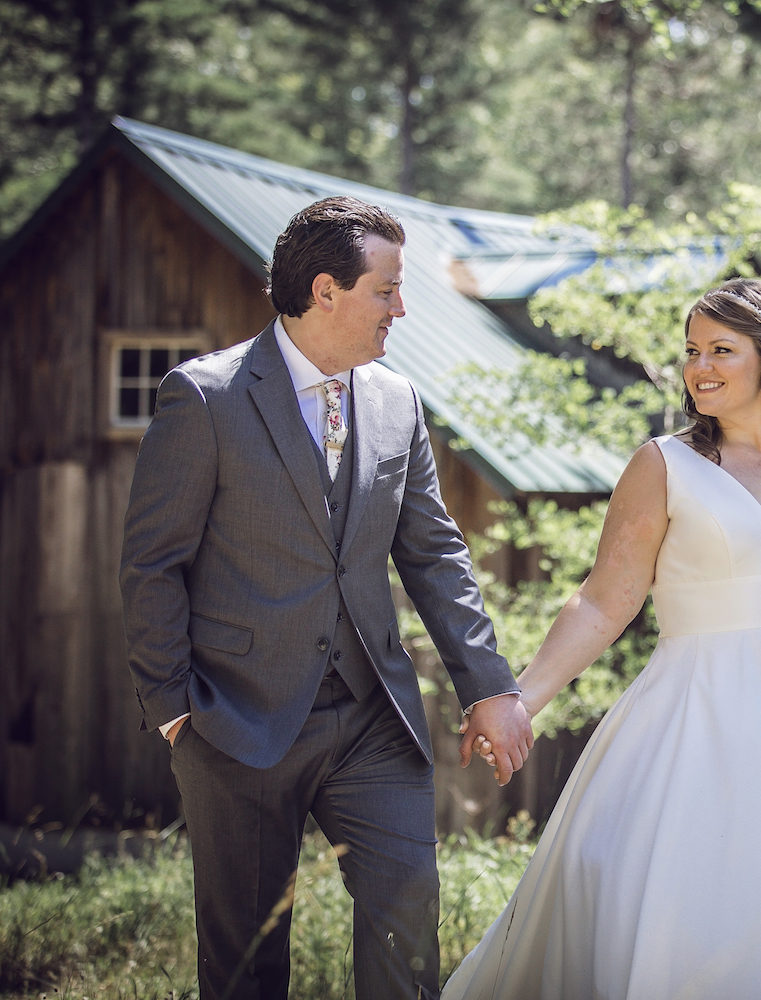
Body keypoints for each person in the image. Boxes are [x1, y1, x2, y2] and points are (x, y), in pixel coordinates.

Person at [442, 278, 761, 1000]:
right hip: (702, 719)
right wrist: (521, 700)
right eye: (691, 351)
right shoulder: (663, 464)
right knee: (720, 915)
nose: (699, 368)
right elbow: (601, 602)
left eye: (721, 350)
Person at [119, 196, 534, 1000]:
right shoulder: (204, 398)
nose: (401, 308)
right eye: (386, 290)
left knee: (406, 915)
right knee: (245, 964)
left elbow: (434, 552)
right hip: (234, 719)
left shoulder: (397, 402)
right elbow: (151, 564)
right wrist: (174, 708)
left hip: (372, 718)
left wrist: (490, 686)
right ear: (324, 291)